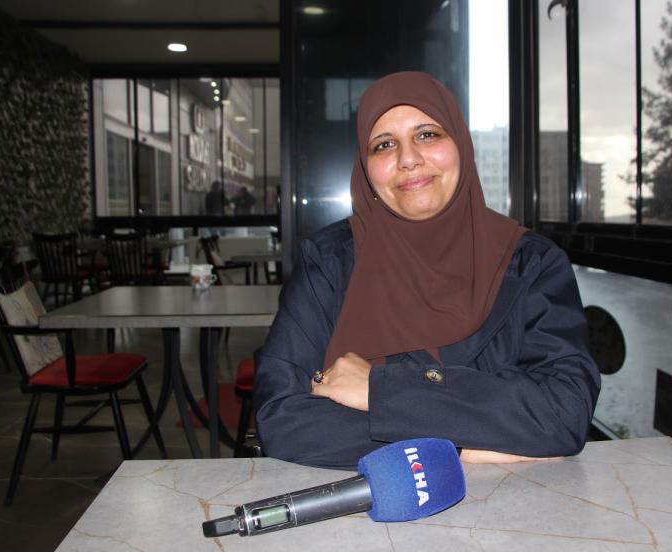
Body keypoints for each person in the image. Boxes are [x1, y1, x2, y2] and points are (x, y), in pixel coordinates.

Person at [253, 71, 600, 469]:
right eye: (384, 145)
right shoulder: (328, 263)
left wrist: (384, 390)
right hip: (363, 505)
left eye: (428, 135)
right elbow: (280, 418)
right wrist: (460, 449)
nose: (408, 159)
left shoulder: (531, 264)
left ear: (460, 144)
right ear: (365, 166)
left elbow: (564, 411)